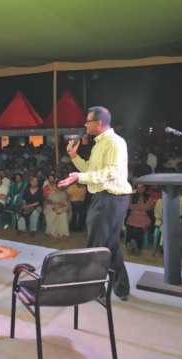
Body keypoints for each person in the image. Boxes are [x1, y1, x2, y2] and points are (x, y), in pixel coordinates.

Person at [59, 106, 132, 300]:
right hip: (106, 197)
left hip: (110, 197)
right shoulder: (98, 144)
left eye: (88, 121)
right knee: (110, 245)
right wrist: (74, 157)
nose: (85, 124)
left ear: (98, 122)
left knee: (95, 245)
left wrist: (79, 178)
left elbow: (111, 172)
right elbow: (90, 171)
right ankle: (121, 288)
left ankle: (92, 290)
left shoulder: (115, 142)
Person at [125, 185, 156, 255]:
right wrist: (142, 207)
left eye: (142, 187)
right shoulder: (131, 196)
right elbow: (129, 205)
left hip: (145, 217)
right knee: (129, 225)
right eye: (138, 187)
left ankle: (131, 243)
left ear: (145, 188)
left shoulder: (150, 196)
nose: (140, 189)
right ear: (136, 188)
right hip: (133, 216)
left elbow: (150, 207)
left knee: (141, 227)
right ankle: (135, 246)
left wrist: (135, 207)